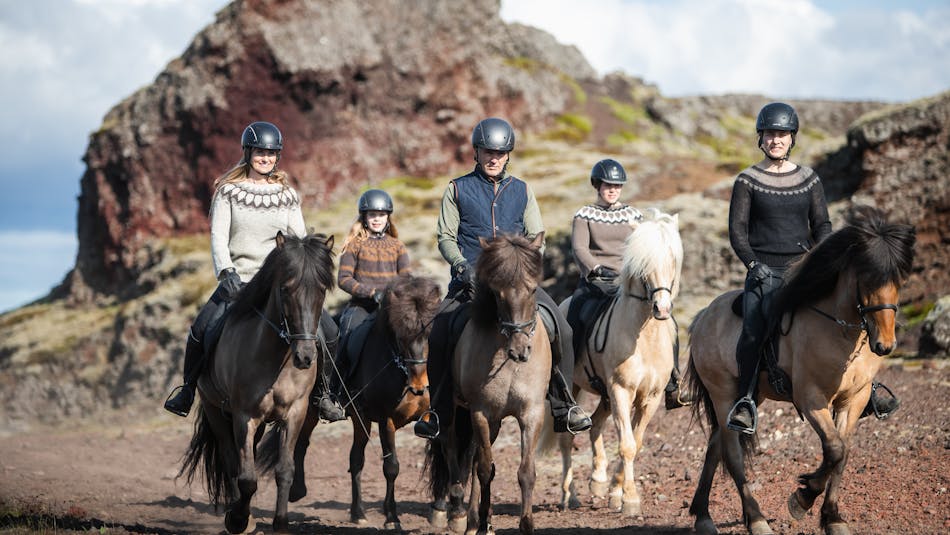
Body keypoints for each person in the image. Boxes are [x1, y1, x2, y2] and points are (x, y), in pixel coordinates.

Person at [413, 117, 592, 439]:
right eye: (488, 152)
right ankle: (437, 412)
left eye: (500, 153)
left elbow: (537, 236)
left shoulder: (523, 190)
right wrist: (461, 265)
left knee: (562, 329)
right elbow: (446, 237)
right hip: (471, 280)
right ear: (476, 152)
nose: (493, 158)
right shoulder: (457, 189)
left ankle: (564, 405)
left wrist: (524, 266)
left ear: (508, 155)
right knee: (439, 331)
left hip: (515, 282)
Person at [726, 102, 899, 434]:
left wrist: (823, 259)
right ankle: (746, 400)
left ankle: (866, 388)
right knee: (753, 328)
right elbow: (737, 232)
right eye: (770, 134)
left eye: (782, 134)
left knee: (853, 308)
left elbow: (822, 225)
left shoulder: (809, 179)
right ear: (760, 138)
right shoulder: (747, 180)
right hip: (764, 271)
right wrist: (753, 264)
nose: (776, 140)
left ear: (792, 138)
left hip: (803, 269)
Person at [163, 121, 341, 420]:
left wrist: (306, 270)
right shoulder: (228, 192)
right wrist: (226, 272)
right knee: (201, 328)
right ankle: (188, 390)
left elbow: (298, 240)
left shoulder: (287, 195)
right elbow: (218, 237)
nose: (265, 158)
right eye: (260, 152)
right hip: (241, 279)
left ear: (277, 157)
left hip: (280, 283)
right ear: (248, 153)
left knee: (330, 331)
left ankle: (323, 394)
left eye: (271, 154)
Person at [567, 158, 689, 410]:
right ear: (597, 185)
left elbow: (644, 249)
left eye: (617, 185)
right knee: (575, 316)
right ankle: (569, 370)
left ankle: (673, 384)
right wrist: (595, 268)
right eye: (607, 185)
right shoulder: (584, 214)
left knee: (670, 322)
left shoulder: (633, 215)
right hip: (596, 282)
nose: (612, 190)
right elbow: (579, 249)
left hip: (627, 282)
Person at [319, 189, 411, 410]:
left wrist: (394, 295)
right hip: (361, 306)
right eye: (372, 215)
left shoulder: (397, 246)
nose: (377, 219)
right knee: (347, 337)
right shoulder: (355, 245)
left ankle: (420, 387)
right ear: (364, 217)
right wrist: (371, 293)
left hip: (391, 307)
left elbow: (406, 278)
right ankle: (337, 392)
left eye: (381, 215)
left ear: (388, 217)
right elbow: (344, 279)